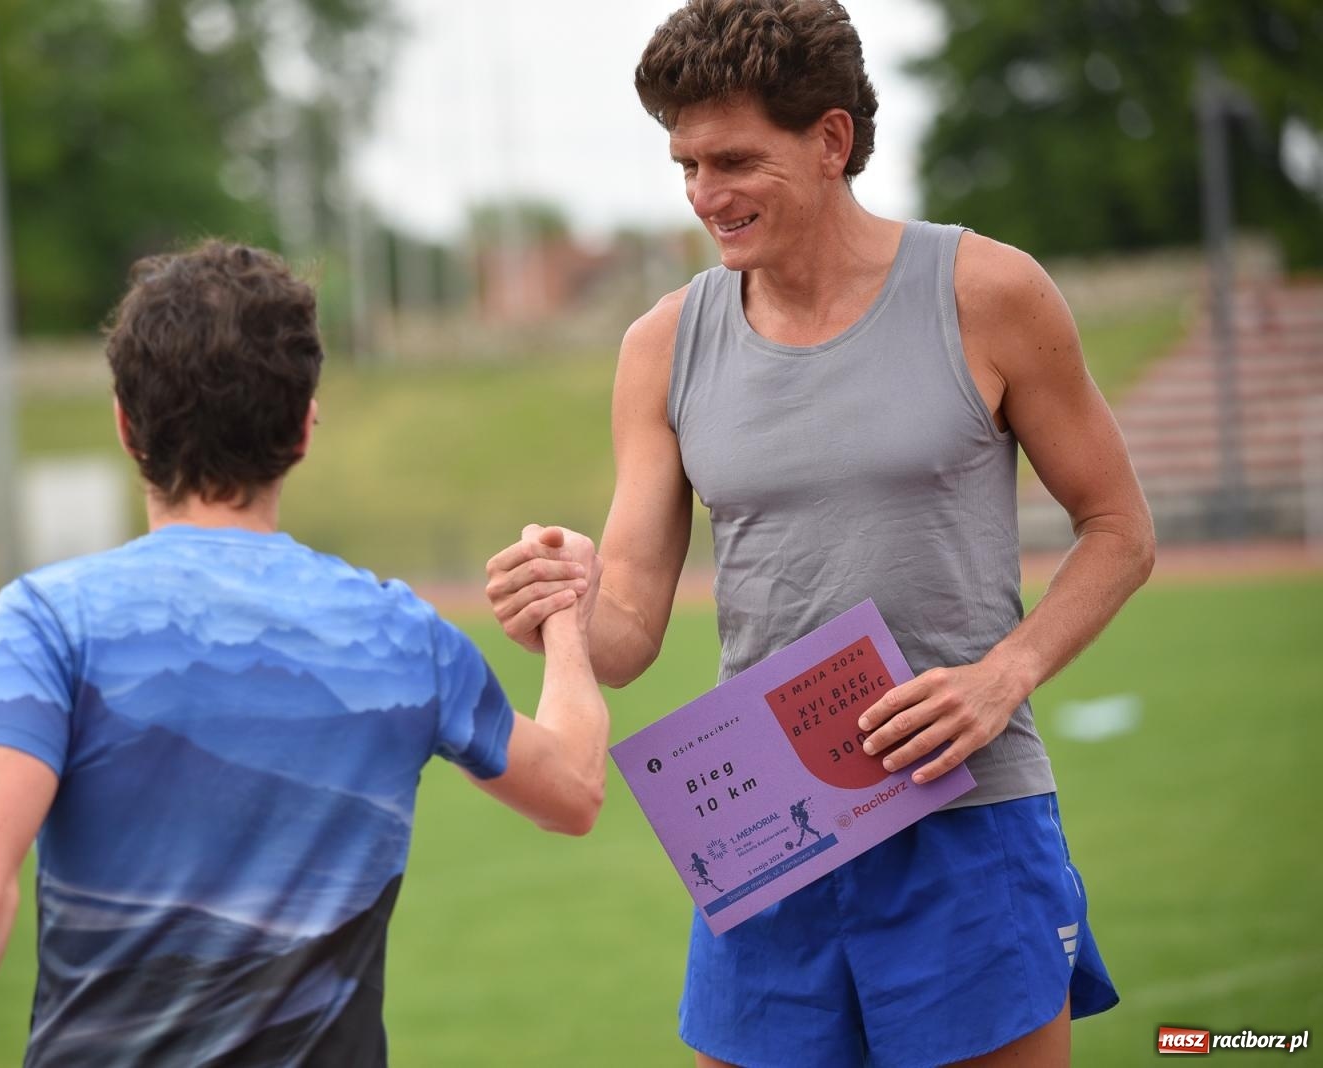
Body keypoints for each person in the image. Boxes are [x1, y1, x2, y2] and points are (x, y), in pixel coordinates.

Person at [485, 2, 1155, 1065]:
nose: (706, 195)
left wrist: (1005, 674)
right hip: (765, 834)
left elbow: (1120, 527)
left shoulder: (988, 292)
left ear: (831, 139)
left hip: (964, 815)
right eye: (686, 165)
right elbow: (625, 637)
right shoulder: (662, 345)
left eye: (735, 160)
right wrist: (559, 607)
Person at [0, 240, 609, 1067]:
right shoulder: (402, 635)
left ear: (125, 423)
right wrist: (565, 619)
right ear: (302, 426)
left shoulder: (49, 621)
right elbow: (575, 793)